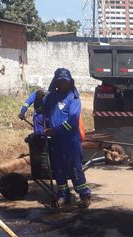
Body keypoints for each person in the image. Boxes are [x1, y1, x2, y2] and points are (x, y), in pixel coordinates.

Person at [42, 68, 91, 208]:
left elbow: (73, 121)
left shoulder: (73, 98)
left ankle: (84, 195)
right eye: (60, 81)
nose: (63, 84)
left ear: (70, 82)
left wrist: (56, 130)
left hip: (71, 141)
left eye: (66, 82)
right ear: (56, 82)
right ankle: (63, 195)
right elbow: (44, 113)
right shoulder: (50, 97)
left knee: (75, 168)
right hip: (55, 141)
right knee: (58, 169)